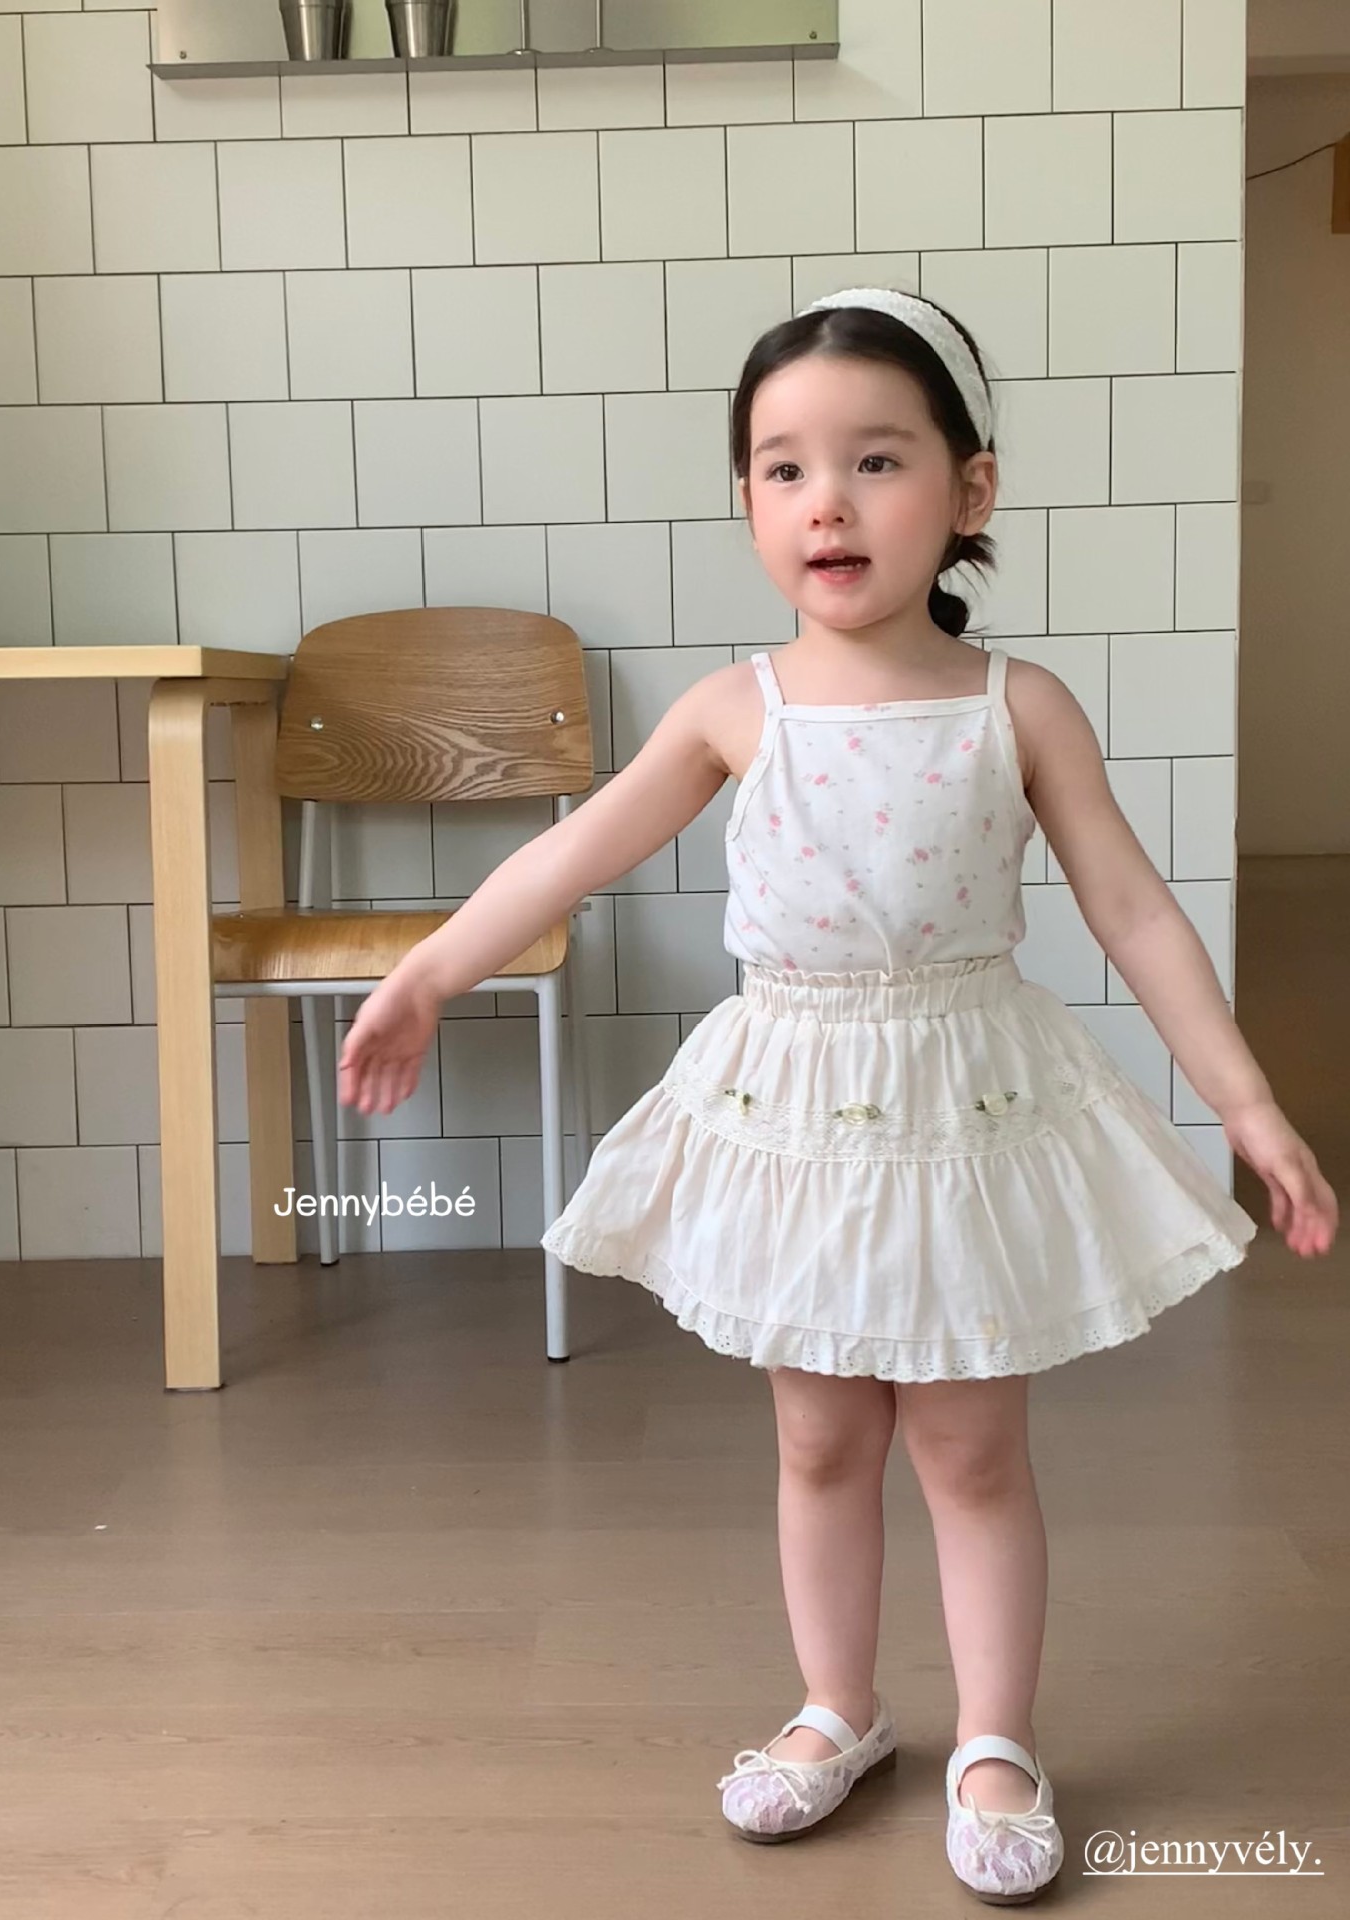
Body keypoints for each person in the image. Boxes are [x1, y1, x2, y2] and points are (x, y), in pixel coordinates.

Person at [336, 288, 1339, 1904]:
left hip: (963, 1110)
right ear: (746, 500)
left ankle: (996, 1740)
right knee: (817, 1439)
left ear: (969, 490)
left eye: (876, 460)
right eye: (785, 467)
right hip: (799, 1115)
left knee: (970, 1446)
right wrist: (432, 971)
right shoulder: (736, 710)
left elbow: (1136, 912)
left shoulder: (1018, 706)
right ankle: (838, 1709)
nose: (829, 502)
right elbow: (569, 854)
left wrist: (1249, 1103)